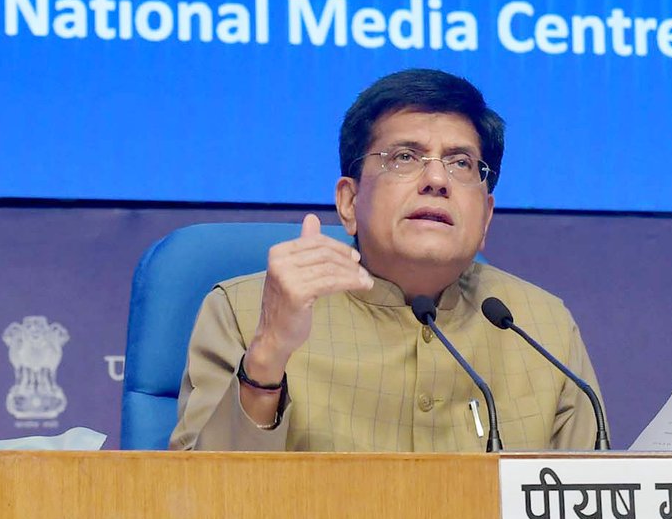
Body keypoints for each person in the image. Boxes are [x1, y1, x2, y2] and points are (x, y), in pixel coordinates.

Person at [171, 69, 603, 451]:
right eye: (404, 157)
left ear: (486, 215)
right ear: (349, 201)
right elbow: (195, 512)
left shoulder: (544, 330)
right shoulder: (245, 314)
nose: (436, 180)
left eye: (461, 163)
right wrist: (267, 356)